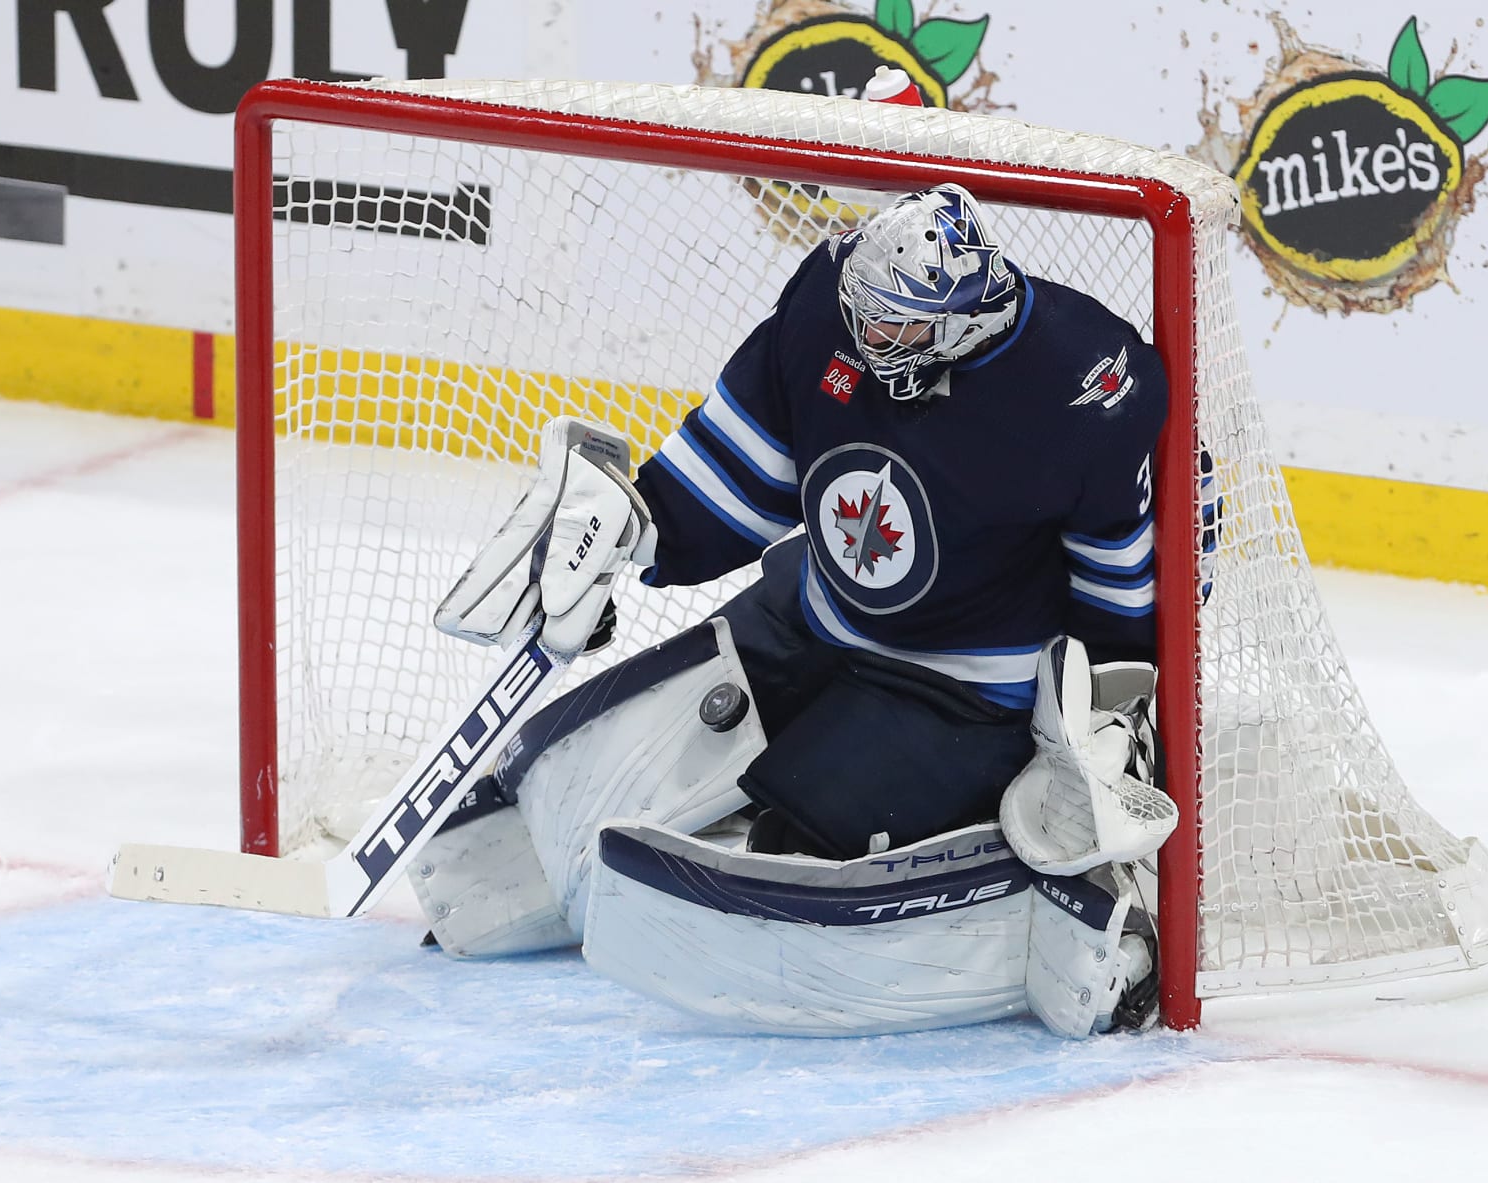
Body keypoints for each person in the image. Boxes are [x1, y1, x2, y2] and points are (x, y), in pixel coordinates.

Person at [417, 182, 1171, 1037]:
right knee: (597, 752)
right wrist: (634, 535)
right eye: (862, 314)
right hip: (812, 614)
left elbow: (1119, 590)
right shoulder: (829, 302)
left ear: (957, 323)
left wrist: (1102, 713)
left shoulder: (1084, 387)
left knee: (794, 831)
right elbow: (741, 468)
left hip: (961, 688)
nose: (863, 336)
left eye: (891, 327)